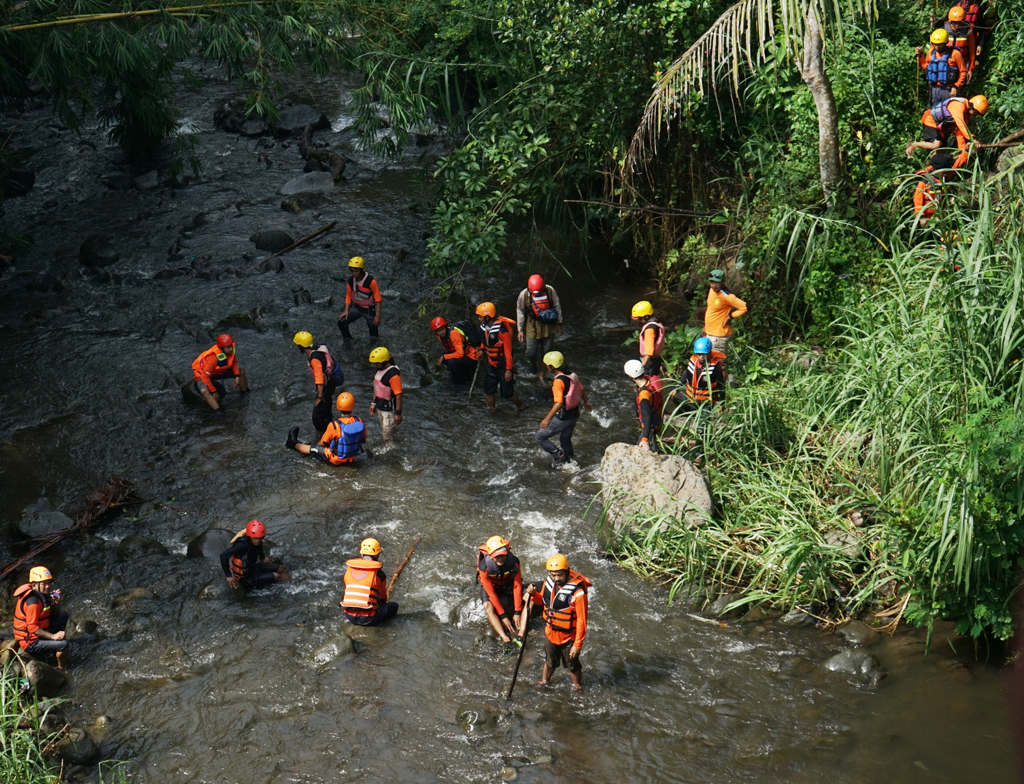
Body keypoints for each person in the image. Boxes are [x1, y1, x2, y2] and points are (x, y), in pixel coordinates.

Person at [520, 553, 591, 691]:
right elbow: (543, 602)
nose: (556, 578)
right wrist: (533, 594)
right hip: (551, 633)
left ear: (567, 572)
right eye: (553, 575)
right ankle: (544, 681)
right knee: (549, 661)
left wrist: (577, 644)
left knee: (572, 664)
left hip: (569, 637)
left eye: (560, 575)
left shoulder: (578, 593)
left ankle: (577, 686)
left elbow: (582, 620)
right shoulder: (548, 584)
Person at [536, 351, 592, 467]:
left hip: (564, 416)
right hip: (575, 413)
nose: (546, 367)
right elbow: (581, 389)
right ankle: (570, 458)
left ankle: (558, 455)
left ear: (551, 367)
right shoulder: (572, 375)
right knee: (565, 438)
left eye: (547, 365)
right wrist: (586, 402)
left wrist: (546, 419)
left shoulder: (558, 382)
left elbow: (558, 403)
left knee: (540, 436)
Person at [905, 94, 989, 170]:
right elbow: (961, 125)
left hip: (941, 127)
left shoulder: (967, 115)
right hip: (930, 120)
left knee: (940, 154)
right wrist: (972, 139)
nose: (975, 115)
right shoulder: (958, 105)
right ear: (972, 106)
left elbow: (959, 132)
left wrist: (962, 149)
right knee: (936, 145)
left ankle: (933, 172)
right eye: (976, 112)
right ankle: (913, 144)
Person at [12, 565, 69, 669]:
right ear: (34, 584)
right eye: (44, 583)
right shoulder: (32, 602)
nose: (48, 586)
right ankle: (61, 668)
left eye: (49, 583)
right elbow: (32, 628)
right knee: (64, 644)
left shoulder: (41, 595)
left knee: (63, 615)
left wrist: (56, 602)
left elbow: (52, 614)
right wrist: (53, 636)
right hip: (31, 642)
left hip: (40, 632)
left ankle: (54, 646)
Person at [286, 392, 366, 464]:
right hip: (353, 456)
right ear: (352, 406)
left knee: (313, 448)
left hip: (336, 459)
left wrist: (316, 447)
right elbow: (363, 439)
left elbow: (322, 443)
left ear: (338, 407)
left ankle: (292, 444)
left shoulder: (334, 425)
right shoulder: (359, 420)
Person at [477, 301, 526, 414]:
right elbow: (485, 341)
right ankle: (492, 410)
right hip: (491, 364)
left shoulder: (503, 331)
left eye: (480, 316)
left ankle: (521, 405)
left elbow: (508, 352)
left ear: (488, 317)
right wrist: (481, 350)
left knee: (507, 394)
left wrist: (508, 370)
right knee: (489, 391)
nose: (479, 318)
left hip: (503, 365)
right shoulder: (485, 327)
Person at [292, 330, 344, 435]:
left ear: (301, 346)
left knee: (317, 417)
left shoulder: (315, 359)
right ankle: (331, 428)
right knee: (327, 410)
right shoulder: (319, 349)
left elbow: (319, 378)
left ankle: (326, 435)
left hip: (325, 387)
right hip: (330, 382)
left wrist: (319, 397)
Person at [515, 274, 563, 383]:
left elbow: (557, 306)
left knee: (547, 351)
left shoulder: (550, 291)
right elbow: (520, 311)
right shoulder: (524, 295)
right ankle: (533, 366)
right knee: (530, 352)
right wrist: (520, 329)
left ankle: (544, 371)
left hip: (548, 325)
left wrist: (559, 323)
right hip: (532, 326)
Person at [476, 535, 524, 644]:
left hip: (507, 583)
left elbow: (517, 586)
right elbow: (491, 594)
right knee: (487, 606)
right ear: (491, 556)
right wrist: (503, 616)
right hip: (492, 586)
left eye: (502, 555)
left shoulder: (514, 562)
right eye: (497, 556)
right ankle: (504, 636)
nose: (500, 559)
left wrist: (517, 611)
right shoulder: (485, 567)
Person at [340, 537, 398, 626]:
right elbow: (383, 598)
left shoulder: (349, 570)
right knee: (394, 606)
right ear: (377, 555)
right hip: (368, 618)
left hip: (349, 616)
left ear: (362, 554)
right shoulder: (379, 574)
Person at [219, 520, 290, 591]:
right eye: (255, 538)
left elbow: (260, 552)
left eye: (260, 538)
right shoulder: (241, 545)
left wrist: (263, 558)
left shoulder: (258, 542)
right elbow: (223, 555)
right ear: (250, 536)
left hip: (252, 568)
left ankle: (290, 584)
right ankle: (287, 590)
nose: (258, 541)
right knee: (276, 576)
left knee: (281, 568)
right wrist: (228, 576)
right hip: (245, 578)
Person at [191, 333, 248, 411]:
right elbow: (205, 376)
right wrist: (214, 391)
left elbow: (233, 362)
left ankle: (244, 393)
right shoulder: (213, 358)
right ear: (222, 349)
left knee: (241, 371)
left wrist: (236, 376)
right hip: (202, 374)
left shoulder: (230, 349)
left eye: (231, 346)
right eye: (228, 347)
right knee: (205, 391)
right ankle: (218, 411)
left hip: (216, 371)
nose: (231, 349)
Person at [337, 255, 382, 344]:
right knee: (341, 322)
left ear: (361, 270)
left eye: (355, 270)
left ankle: (374, 344)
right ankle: (348, 341)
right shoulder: (350, 280)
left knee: (373, 326)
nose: (353, 273)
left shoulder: (371, 281)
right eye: (351, 270)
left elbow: (378, 299)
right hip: (357, 307)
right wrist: (346, 310)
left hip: (369, 309)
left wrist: (377, 316)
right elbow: (348, 296)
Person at [916, 28, 967, 105]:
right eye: (935, 44)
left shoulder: (955, 54)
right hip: (934, 90)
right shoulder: (930, 53)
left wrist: (956, 87)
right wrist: (920, 56)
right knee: (935, 113)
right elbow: (926, 67)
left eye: (940, 44)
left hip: (949, 90)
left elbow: (963, 72)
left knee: (948, 114)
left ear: (946, 42)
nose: (937, 47)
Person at [703, 269, 747, 358]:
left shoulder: (727, 296)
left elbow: (744, 307)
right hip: (709, 332)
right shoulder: (712, 290)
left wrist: (730, 316)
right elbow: (711, 309)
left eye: (717, 283)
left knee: (718, 363)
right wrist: (706, 327)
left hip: (718, 335)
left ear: (723, 282)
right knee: (708, 361)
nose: (714, 286)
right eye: (712, 282)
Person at [624, 359, 663, 452]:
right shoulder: (651, 380)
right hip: (657, 420)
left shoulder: (644, 395)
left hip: (650, 426)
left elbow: (647, 417)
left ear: (630, 376)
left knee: (644, 450)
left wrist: (645, 438)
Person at [431, 316, 480, 386]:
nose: (441, 332)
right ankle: (457, 376)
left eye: (442, 329)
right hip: (463, 356)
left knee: (451, 362)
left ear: (445, 327)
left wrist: (444, 357)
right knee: (446, 360)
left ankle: (460, 382)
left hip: (471, 356)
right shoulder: (440, 337)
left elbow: (460, 354)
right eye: (438, 331)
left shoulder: (453, 334)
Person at [368, 346, 402, 444]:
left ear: (384, 361)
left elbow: (398, 395)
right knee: (386, 430)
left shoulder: (393, 375)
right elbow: (377, 387)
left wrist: (398, 413)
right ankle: (395, 441)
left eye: (377, 363)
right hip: (380, 406)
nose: (375, 365)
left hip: (389, 409)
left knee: (386, 435)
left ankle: (391, 451)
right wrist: (373, 403)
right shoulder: (379, 370)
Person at [912, 152, 956, 227]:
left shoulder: (944, 179)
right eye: (945, 171)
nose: (946, 172)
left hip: (940, 217)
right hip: (927, 219)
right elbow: (917, 200)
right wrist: (921, 217)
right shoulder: (925, 181)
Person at [684, 337, 726, 406]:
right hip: (691, 400)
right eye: (699, 354)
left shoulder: (715, 367)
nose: (701, 357)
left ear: (709, 353)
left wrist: (722, 403)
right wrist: (677, 388)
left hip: (706, 403)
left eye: (704, 354)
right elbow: (686, 374)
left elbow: (721, 386)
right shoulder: (693, 361)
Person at [630, 300, 665, 376]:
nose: (638, 321)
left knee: (647, 382)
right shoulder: (656, 322)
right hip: (656, 359)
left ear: (646, 317)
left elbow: (649, 351)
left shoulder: (649, 330)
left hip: (650, 363)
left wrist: (641, 366)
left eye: (639, 319)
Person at [944, 6, 977, 79]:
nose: (957, 25)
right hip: (946, 65)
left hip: (962, 66)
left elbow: (972, 52)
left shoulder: (968, 31)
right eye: (954, 22)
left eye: (959, 22)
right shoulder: (944, 30)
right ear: (950, 20)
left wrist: (970, 69)